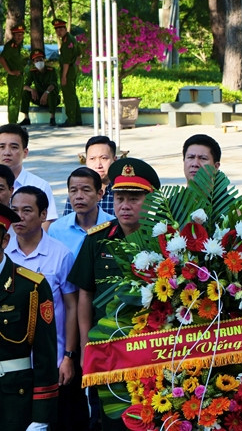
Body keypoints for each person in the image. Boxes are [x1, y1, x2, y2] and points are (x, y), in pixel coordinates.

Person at [68, 157, 160, 431]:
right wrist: (87, 348)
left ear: (150, 200)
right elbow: (84, 296)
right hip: (107, 349)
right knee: (109, 419)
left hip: (151, 350)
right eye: (119, 197)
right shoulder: (97, 239)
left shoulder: (164, 239)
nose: (125, 205)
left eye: (134, 198)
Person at [7, 186, 88, 431]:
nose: (18, 217)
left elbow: (72, 307)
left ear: (43, 215)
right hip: (13, 364)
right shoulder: (4, 253)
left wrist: (69, 356)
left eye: (27, 210)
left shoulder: (59, 255)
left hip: (53, 361)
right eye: (14, 210)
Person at [0, 202, 59, 431]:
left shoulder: (31, 287)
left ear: (5, 242)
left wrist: (41, 417)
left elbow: (45, 354)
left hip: (14, 399)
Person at [0, 124, 58, 229]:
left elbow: (47, 223)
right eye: (1, 147)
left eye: (14, 147)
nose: (7, 152)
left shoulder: (40, 186)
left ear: (25, 152)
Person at [49, 167, 114, 256]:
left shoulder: (114, 227)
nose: (79, 196)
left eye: (86, 190)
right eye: (73, 191)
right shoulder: (57, 229)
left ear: (99, 194)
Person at [63, 136, 117, 216]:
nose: (98, 165)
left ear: (114, 160)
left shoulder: (121, 191)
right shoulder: (77, 192)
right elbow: (67, 223)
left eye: (104, 158)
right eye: (92, 159)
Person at [53, 19, 81, 127]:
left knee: (68, 95)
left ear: (65, 29)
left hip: (68, 70)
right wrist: (77, 66)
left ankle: (71, 119)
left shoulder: (67, 42)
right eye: (57, 30)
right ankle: (77, 118)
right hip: (72, 68)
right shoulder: (72, 39)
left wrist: (64, 76)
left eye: (60, 29)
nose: (58, 31)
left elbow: (66, 62)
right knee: (72, 94)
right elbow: (79, 54)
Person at [21, 49, 60, 126]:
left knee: (52, 93)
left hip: (51, 99)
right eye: (36, 60)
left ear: (44, 60)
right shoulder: (32, 72)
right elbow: (25, 86)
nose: (39, 62)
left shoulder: (51, 70)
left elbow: (53, 84)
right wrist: (32, 90)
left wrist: (46, 93)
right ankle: (26, 118)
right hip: (38, 98)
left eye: (41, 60)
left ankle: (52, 118)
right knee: (25, 93)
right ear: (33, 62)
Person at [0, 25, 26, 124]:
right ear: (13, 35)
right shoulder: (10, 46)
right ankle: (12, 123)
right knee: (13, 100)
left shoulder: (18, 46)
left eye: (21, 35)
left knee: (17, 99)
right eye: (17, 35)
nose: (19, 37)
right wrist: (10, 71)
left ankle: (14, 121)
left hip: (19, 76)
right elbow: (1, 58)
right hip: (14, 77)